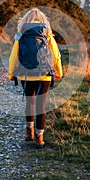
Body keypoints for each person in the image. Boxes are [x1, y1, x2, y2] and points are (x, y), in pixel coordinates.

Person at [9, 8, 63, 149]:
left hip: (25, 73)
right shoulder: (47, 33)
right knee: (41, 105)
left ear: (26, 20)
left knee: (29, 102)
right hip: (44, 74)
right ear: (43, 20)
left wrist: (11, 73)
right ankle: (39, 138)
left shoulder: (21, 33)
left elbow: (14, 55)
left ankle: (29, 132)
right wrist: (58, 71)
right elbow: (56, 55)